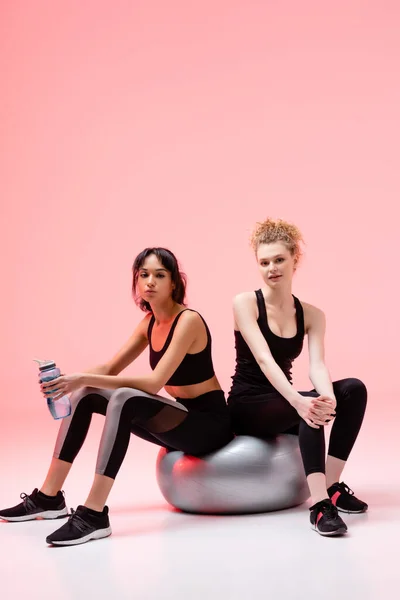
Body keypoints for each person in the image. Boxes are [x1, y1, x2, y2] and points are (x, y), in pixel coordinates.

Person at [0, 248, 233, 545]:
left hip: (208, 427)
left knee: (124, 398)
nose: (150, 282)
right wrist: (69, 380)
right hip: (179, 419)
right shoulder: (148, 323)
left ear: (174, 283)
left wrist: (83, 378)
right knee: (86, 394)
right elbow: (110, 368)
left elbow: (153, 382)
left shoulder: (188, 320)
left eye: (159, 275)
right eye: (143, 275)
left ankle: (94, 514)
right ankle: (49, 497)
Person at [227, 218, 368, 537]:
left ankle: (331, 485)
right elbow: (263, 358)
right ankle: (319, 507)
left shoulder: (312, 314)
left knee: (352, 390)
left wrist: (326, 396)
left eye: (279, 259)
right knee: (306, 404)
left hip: (285, 399)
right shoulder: (245, 303)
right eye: (264, 262)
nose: (271, 268)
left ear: (294, 259)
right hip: (247, 404)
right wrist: (301, 401)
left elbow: (317, 364)